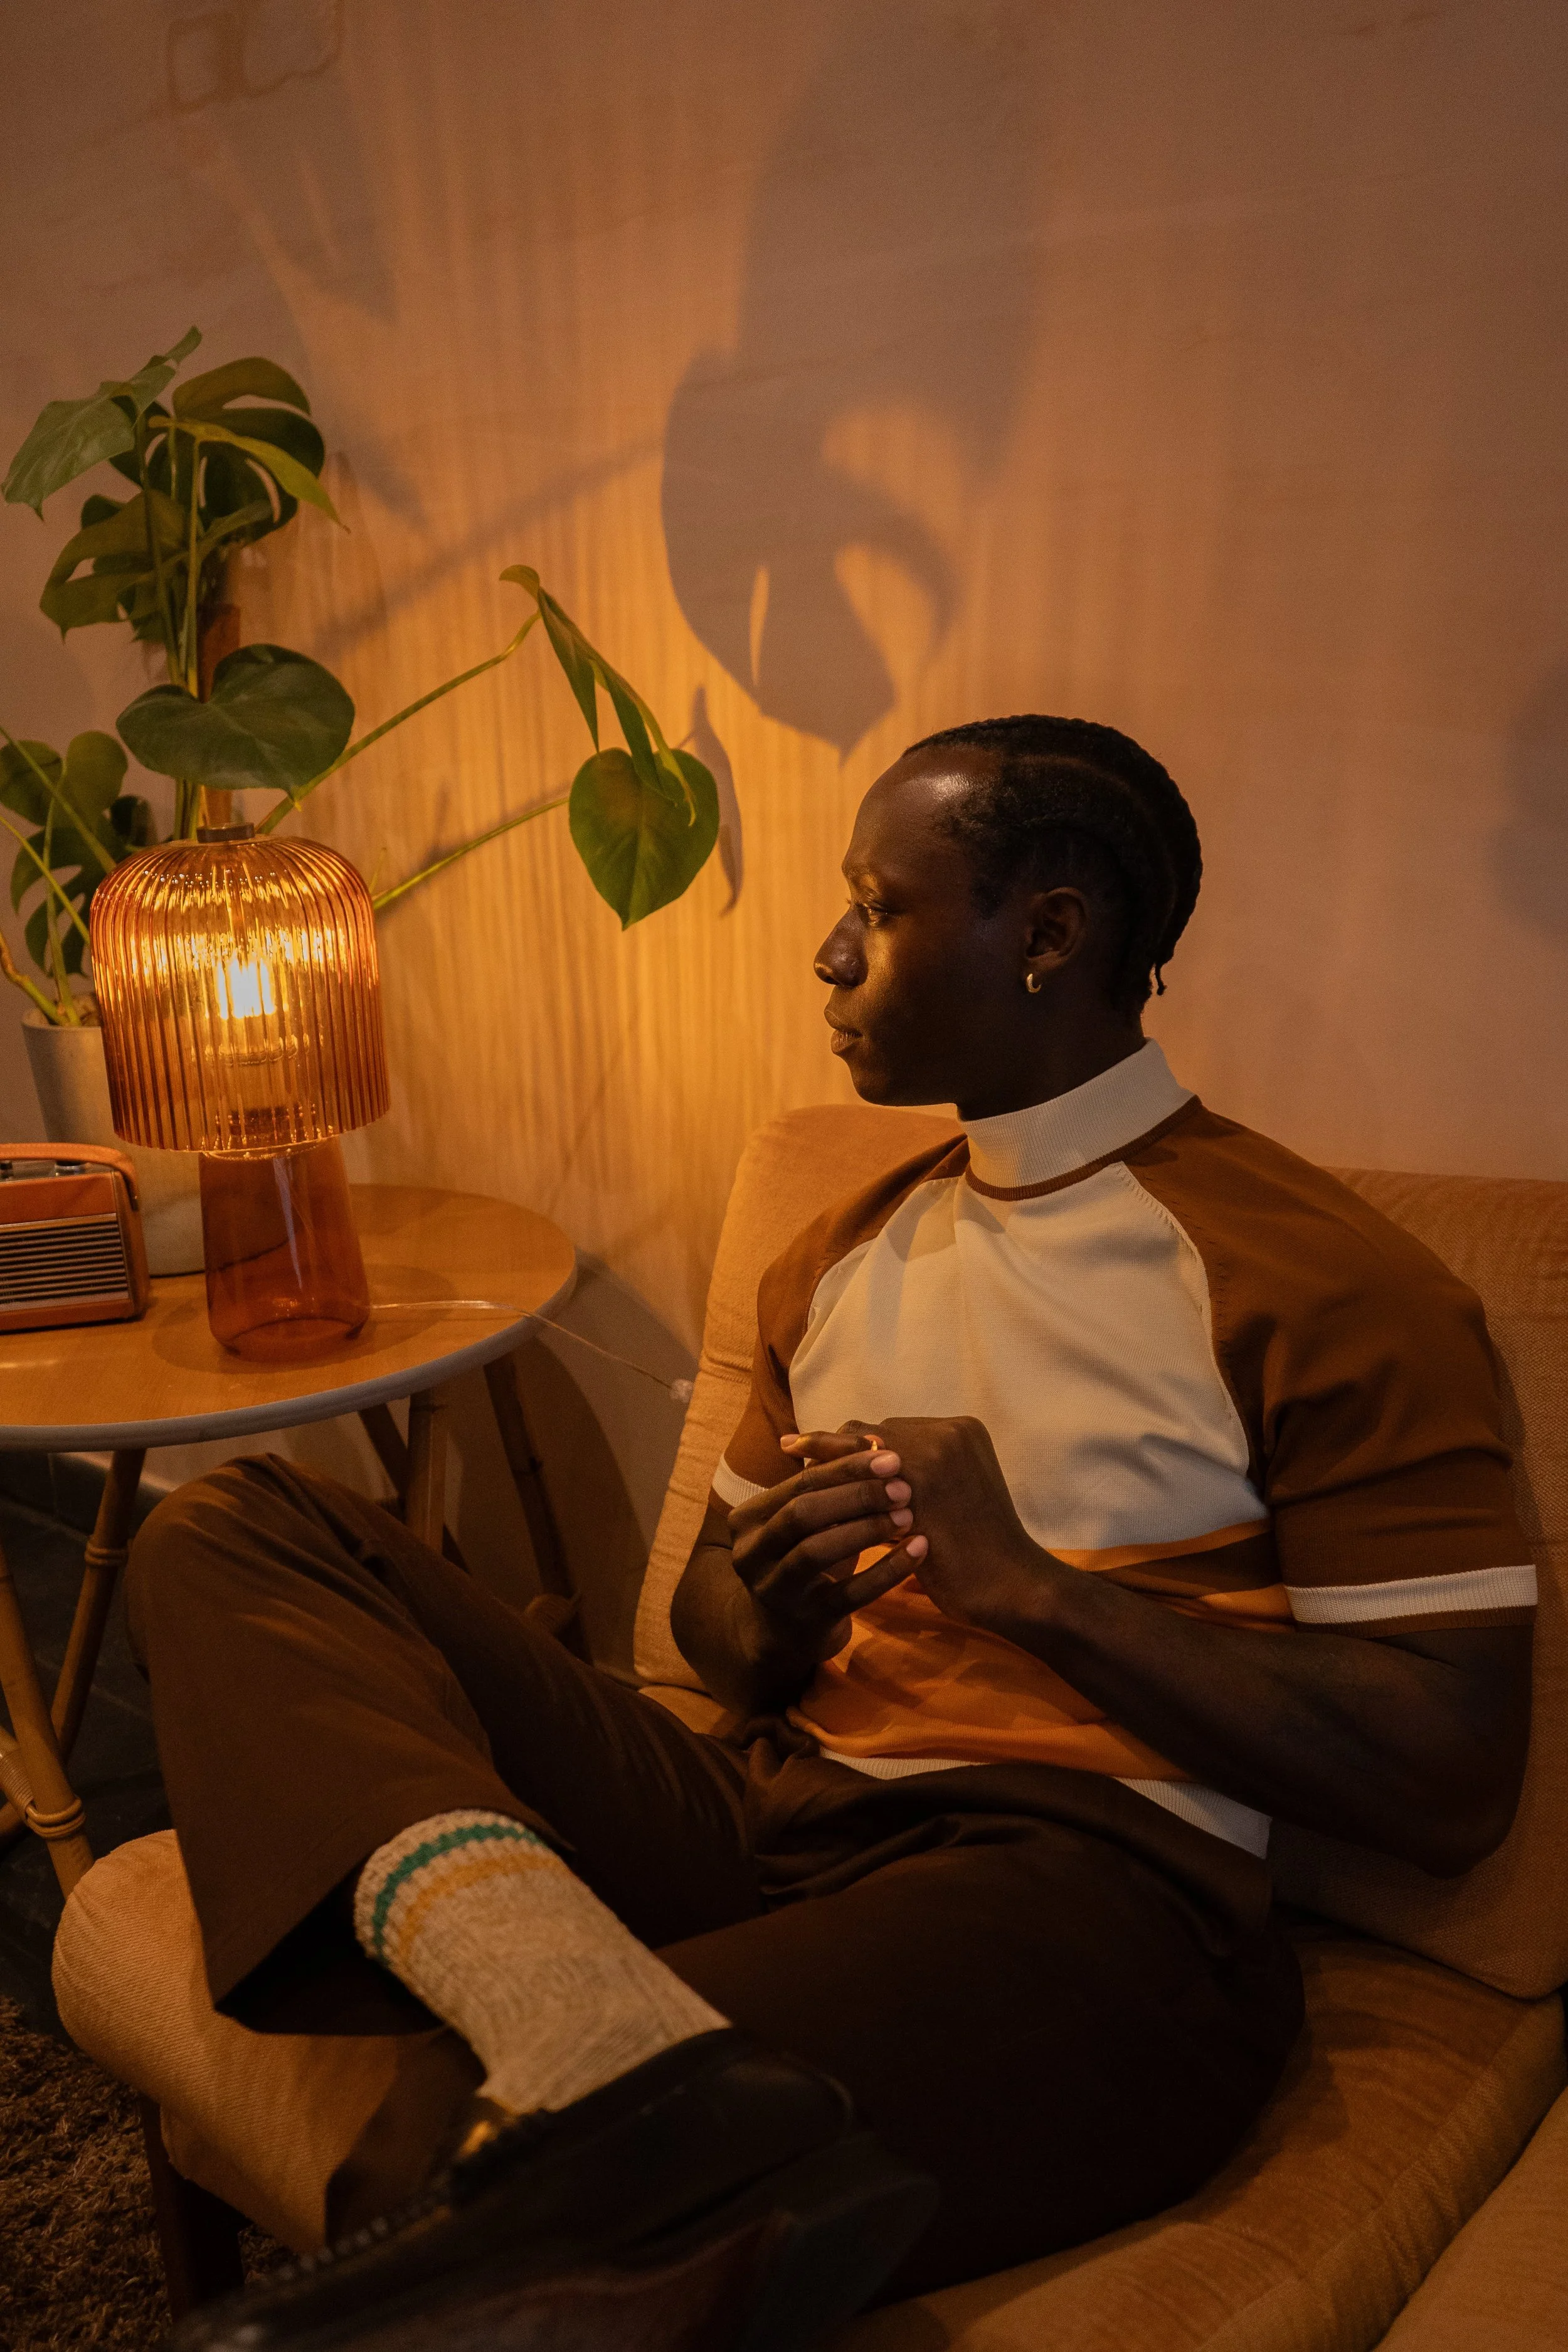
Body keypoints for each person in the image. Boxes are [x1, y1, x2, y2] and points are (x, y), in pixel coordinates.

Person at [130, 716, 1535, 2352]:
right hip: (773, 1806)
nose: (828, 951)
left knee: (456, 2143)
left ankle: (574, 2054)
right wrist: (771, 1604)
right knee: (238, 1523)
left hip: (1097, 1892)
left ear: (1050, 934)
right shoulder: (842, 1245)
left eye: (878, 904)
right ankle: (560, 1990)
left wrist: (1032, 1592)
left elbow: (1447, 1771)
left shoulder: (1321, 1280)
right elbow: (705, 1635)